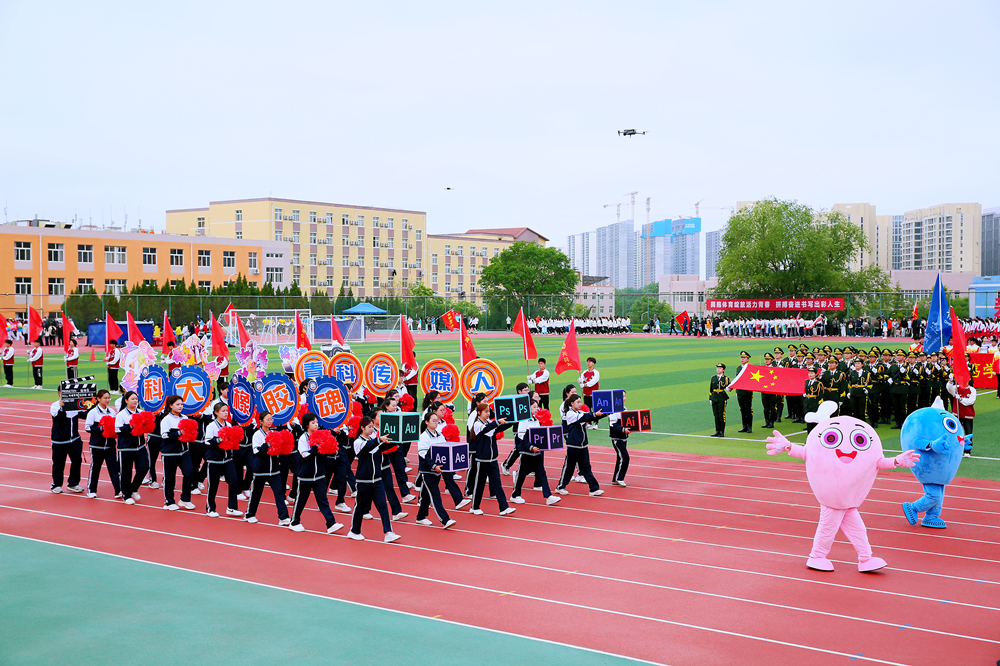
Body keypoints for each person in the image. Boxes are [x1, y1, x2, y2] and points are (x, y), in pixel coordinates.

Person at [348, 417, 401, 542]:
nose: (372, 429)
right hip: (363, 481)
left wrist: (398, 440)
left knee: (383, 505)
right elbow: (367, 447)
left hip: (377, 479)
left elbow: (382, 447)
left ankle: (388, 532)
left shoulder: (373, 440)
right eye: (369, 427)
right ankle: (354, 531)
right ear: (362, 428)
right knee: (360, 506)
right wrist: (379, 440)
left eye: (373, 427)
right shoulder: (358, 442)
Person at [290, 413, 343, 534]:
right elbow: (305, 455)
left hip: (319, 474)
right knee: (301, 499)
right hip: (305, 475)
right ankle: (294, 522)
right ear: (306, 424)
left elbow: (324, 454)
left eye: (317, 422)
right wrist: (316, 447)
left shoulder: (321, 436)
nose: (316, 424)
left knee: (323, 500)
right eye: (313, 422)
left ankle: (331, 523)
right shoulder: (303, 438)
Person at [469, 401, 516, 515]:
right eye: (485, 412)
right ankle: (475, 507)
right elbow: (487, 429)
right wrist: (497, 422)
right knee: (479, 485)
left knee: (497, 484)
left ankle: (504, 507)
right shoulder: (477, 425)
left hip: (493, 460)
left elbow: (499, 428)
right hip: (481, 460)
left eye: (489, 411)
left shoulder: (490, 423)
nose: (488, 413)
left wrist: (513, 420)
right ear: (479, 413)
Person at [245, 411, 291, 525]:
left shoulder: (274, 433)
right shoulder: (257, 435)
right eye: (267, 419)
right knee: (256, 493)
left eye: (271, 419)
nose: (270, 422)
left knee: (279, 493)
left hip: (274, 470)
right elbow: (256, 451)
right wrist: (268, 444)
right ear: (261, 421)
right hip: (260, 470)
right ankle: (249, 514)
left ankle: (283, 517)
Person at [510, 399, 559, 504]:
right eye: (534, 407)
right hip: (526, 452)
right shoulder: (523, 421)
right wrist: (530, 447)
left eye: (537, 407)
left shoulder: (536, 420)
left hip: (537, 453)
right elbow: (521, 437)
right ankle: (515, 495)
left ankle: (548, 496)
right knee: (522, 474)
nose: (537, 409)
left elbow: (539, 437)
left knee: (542, 473)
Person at [414, 411, 457, 528]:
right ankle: (445, 519)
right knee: (435, 495)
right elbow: (423, 455)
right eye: (433, 421)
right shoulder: (424, 437)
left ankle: (420, 517)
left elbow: (445, 450)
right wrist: (433, 466)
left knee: (426, 495)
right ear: (426, 422)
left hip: (438, 470)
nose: (436, 423)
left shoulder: (439, 435)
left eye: (437, 421)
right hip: (428, 471)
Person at [555, 394, 605, 496]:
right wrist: (594, 414)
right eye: (578, 402)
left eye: (580, 402)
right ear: (572, 403)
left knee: (586, 467)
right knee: (569, 467)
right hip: (573, 445)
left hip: (583, 446)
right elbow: (586, 417)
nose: (580, 404)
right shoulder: (569, 414)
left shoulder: (580, 412)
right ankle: (560, 487)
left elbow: (592, 416)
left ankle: (594, 488)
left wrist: (607, 412)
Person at [204, 402, 244, 518]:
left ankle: (231, 507)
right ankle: (210, 508)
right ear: (216, 412)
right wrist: (218, 440)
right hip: (214, 460)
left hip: (227, 459)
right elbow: (207, 441)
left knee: (234, 481)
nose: (226, 413)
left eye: (227, 411)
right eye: (223, 411)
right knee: (213, 485)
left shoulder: (229, 425)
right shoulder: (211, 426)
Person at [159, 395, 196, 510]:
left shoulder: (185, 417)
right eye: (177, 404)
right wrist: (179, 433)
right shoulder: (166, 420)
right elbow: (165, 436)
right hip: (170, 453)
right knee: (170, 478)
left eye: (182, 404)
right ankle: (169, 501)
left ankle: (185, 499)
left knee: (189, 473)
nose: (180, 406)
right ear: (170, 406)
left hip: (184, 452)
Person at [84, 389, 121, 498]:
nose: (107, 400)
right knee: (96, 467)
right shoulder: (93, 412)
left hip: (110, 445)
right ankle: (92, 490)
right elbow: (87, 428)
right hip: (97, 445)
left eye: (109, 398)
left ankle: (118, 490)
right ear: (98, 398)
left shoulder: (112, 412)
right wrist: (100, 428)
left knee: (113, 467)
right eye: (105, 398)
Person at [115, 390, 150, 505]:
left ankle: (133, 488)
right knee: (126, 472)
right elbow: (117, 430)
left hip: (140, 447)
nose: (135, 401)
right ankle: (126, 495)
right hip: (126, 448)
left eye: (136, 399)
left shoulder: (141, 412)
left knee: (144, 467)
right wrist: (130, 426)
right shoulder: (121, 414)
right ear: (126, 400)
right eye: (132, 399)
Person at [50, 387, 86, 494]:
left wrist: (92, 405)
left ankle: (73, 483)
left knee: (77, 461)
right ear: (59, 393)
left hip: (75, 440)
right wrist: (62, 407)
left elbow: (85, 415)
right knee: (58, 463)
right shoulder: (55, 405)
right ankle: (56, 484)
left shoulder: (75, 405)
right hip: (59, 442)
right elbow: (59, 418)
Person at [607, 390, 631, 486]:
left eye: (624, 396)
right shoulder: (613, 410)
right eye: (621, 396)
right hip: (617, 438)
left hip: (623, 437)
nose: (623, 398)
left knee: (620, 457)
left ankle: (615, 479)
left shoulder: (624, 408)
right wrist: (623, 429)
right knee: (625, 457)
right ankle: (619, 478)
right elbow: (612, 425)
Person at [732, 351, 754, 433]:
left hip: (747, 392)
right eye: (741, 357)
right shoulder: (738, 368)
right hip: (740, 392)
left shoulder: (750, 368)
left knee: (748, 409)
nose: (742, 359)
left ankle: (749, 426)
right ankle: (744, 426)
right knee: (742, 409)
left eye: (744, 358)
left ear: (748, 359)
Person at [847, 356, 871, 424]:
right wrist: (849, 392)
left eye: (858, 363)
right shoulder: (852, 373)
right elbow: (849, 383)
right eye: (856, 363)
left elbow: (870, 383)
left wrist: (867, 389)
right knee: (854, 410)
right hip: (854, 393)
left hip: (862, 393)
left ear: (862, 365)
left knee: (862, 410)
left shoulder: (866, 373)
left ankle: (862, 423)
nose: (857, 365)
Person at [578, 357, 600, 425]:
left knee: (595, 409)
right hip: (586, 393)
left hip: (593, 394)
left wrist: (585, 384)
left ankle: (595, 423)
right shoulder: (585, 372)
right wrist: (580, 380)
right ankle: (589, 423)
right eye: (587, 362)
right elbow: (580, 379)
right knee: (587, 409)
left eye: (590, 362)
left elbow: (593, 382)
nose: (588, 363)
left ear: (593, 363)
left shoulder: (596, 372)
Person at [709, 363, 729, 437]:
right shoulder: (713, 378)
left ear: (723, 370)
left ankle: (721, 431)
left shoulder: (725, 378)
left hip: (721, 397)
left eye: (720, 368)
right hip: (714, 397)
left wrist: (728, 388)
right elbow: (711, 389)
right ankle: (717, 431)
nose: (718, 369)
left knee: (721, 415)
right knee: (716, 415)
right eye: (717, 368)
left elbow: (729, 387)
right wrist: (710, 398)